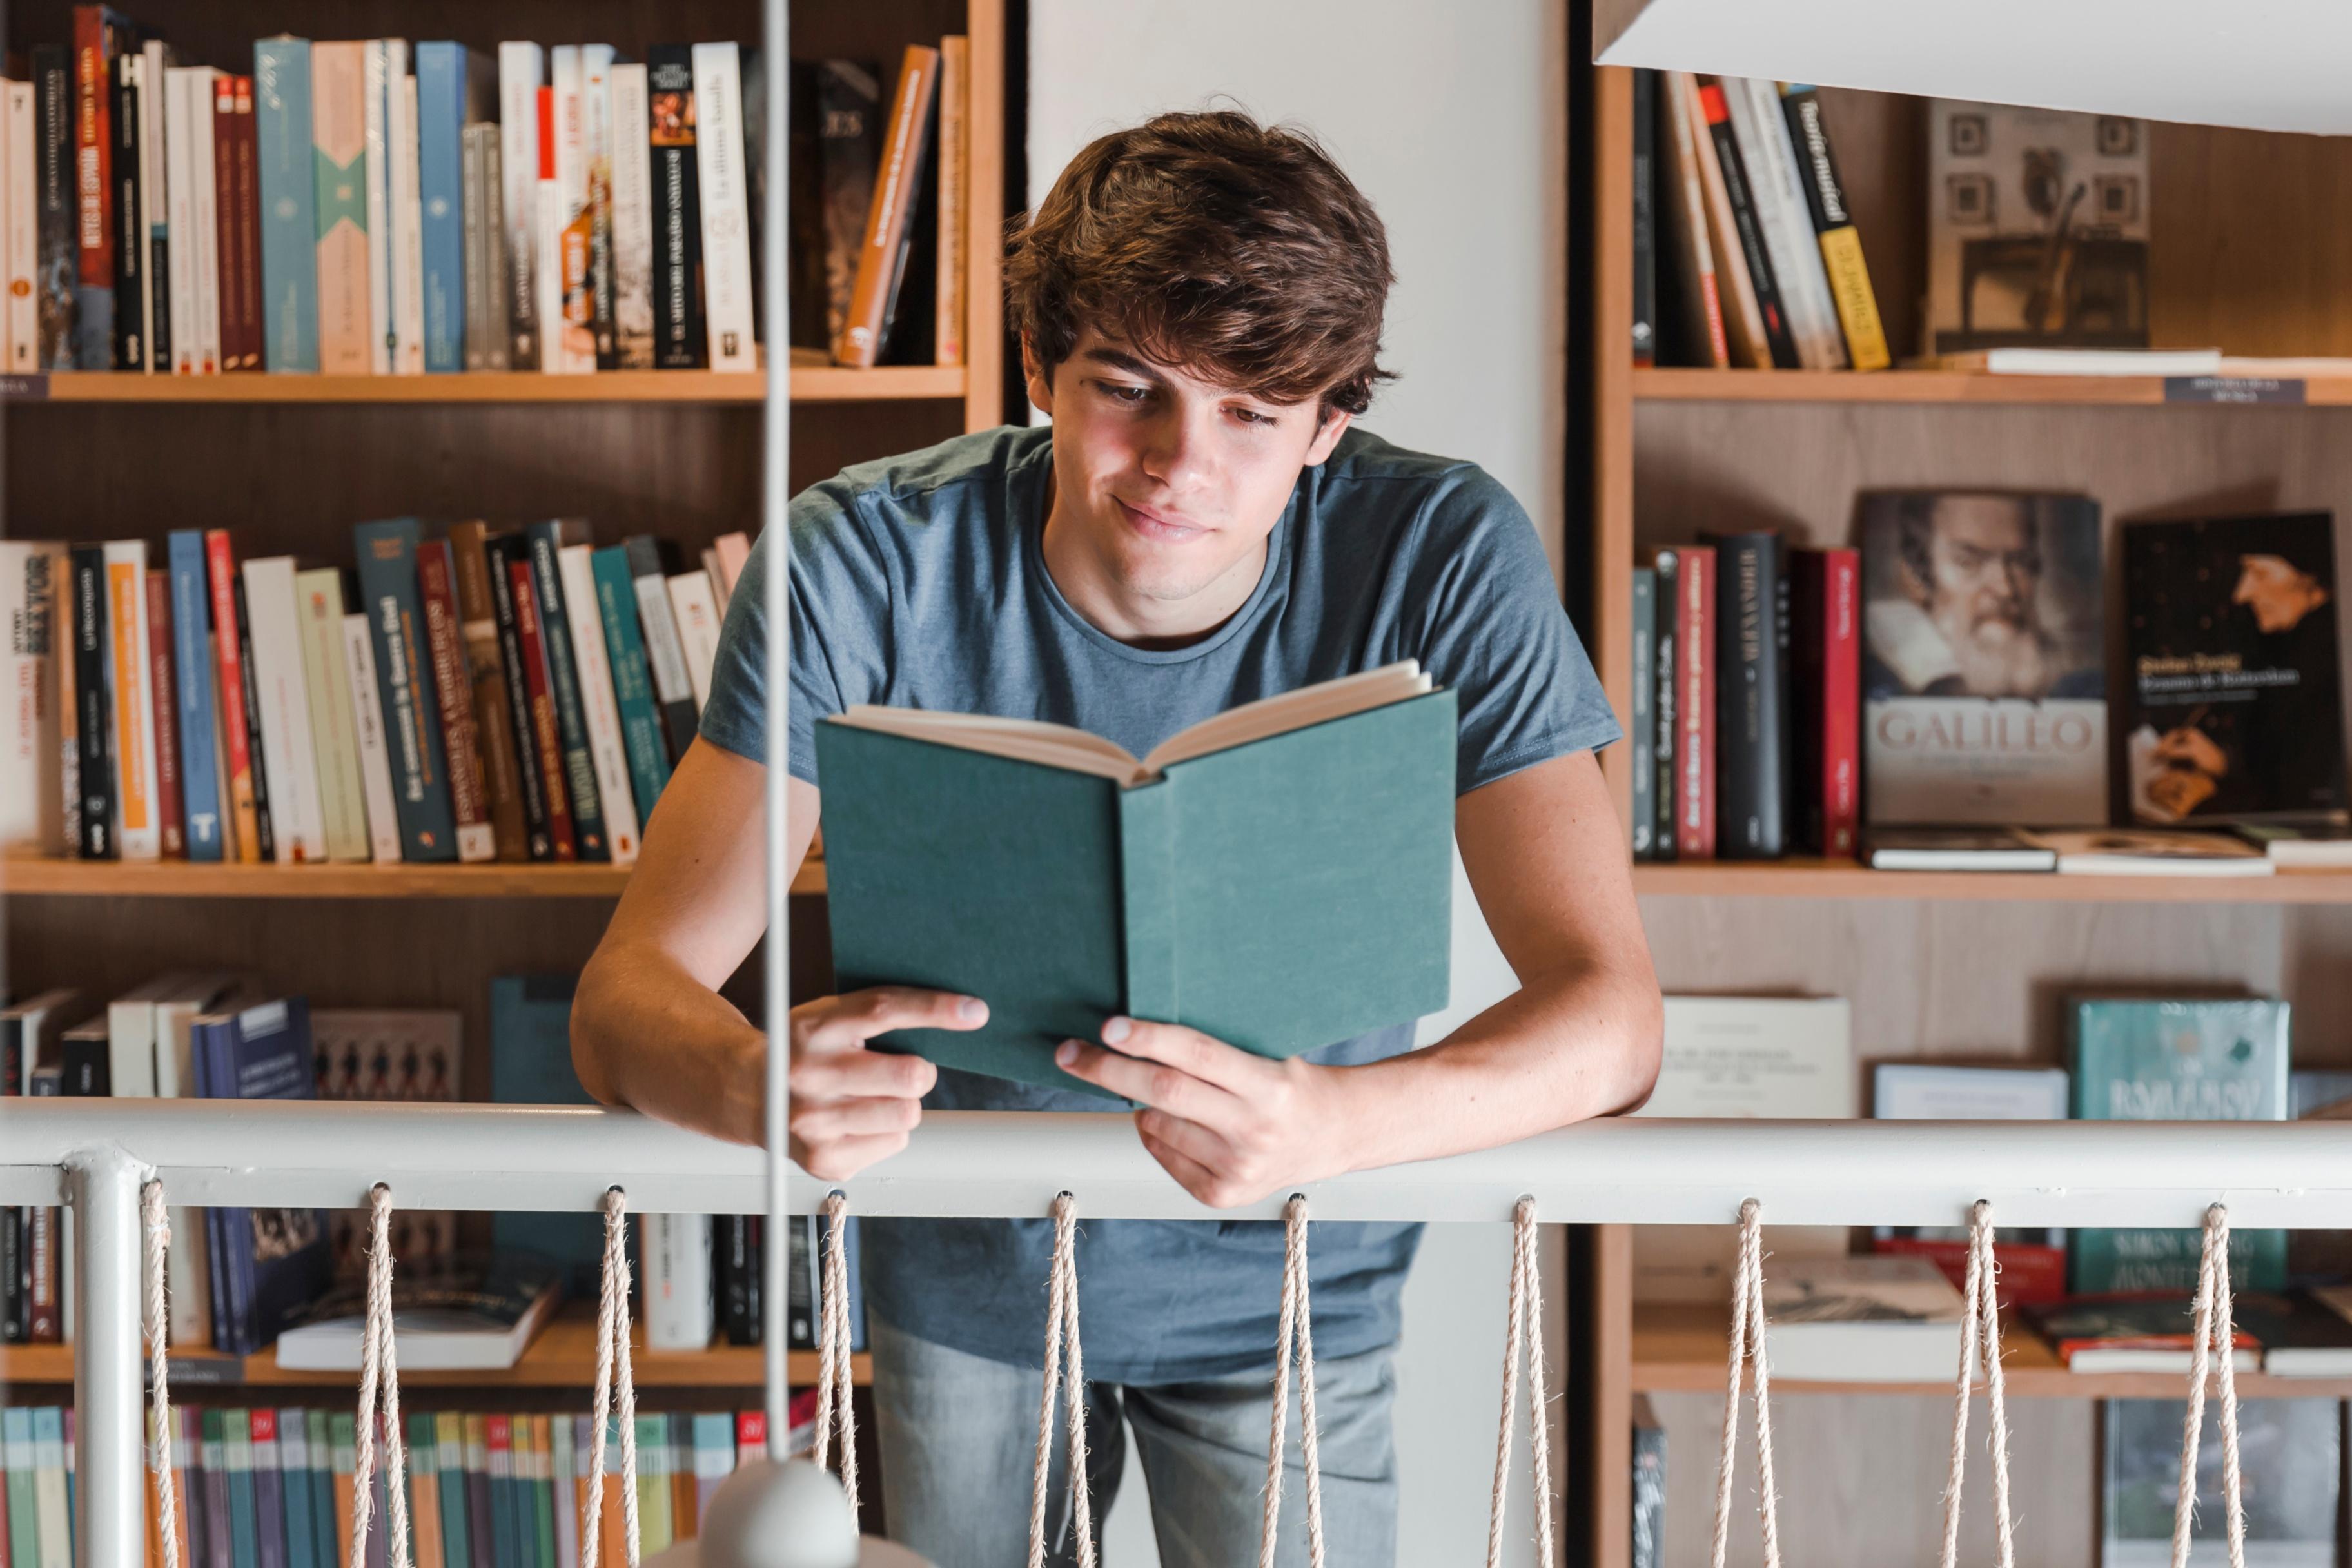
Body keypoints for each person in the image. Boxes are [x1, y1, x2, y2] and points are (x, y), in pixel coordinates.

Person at [572, 110, 1662, 1568]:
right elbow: (621, 998)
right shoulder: (861, 555)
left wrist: (1332, 1125)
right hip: (966, 1277)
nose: (1176, 466)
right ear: (1041, 371)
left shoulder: (1439, 547)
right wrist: (749, 1080)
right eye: (1127, 389)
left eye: (1252, 416)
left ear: (1332, 426)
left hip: (1298, 1277)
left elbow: (1614, 1026)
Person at [1863, 491, 2101, 701]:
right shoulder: (1878, 679)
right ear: (1915, 578)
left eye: (2020, 561)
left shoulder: (2082, 685)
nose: (2006, 589)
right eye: (1968, 562)